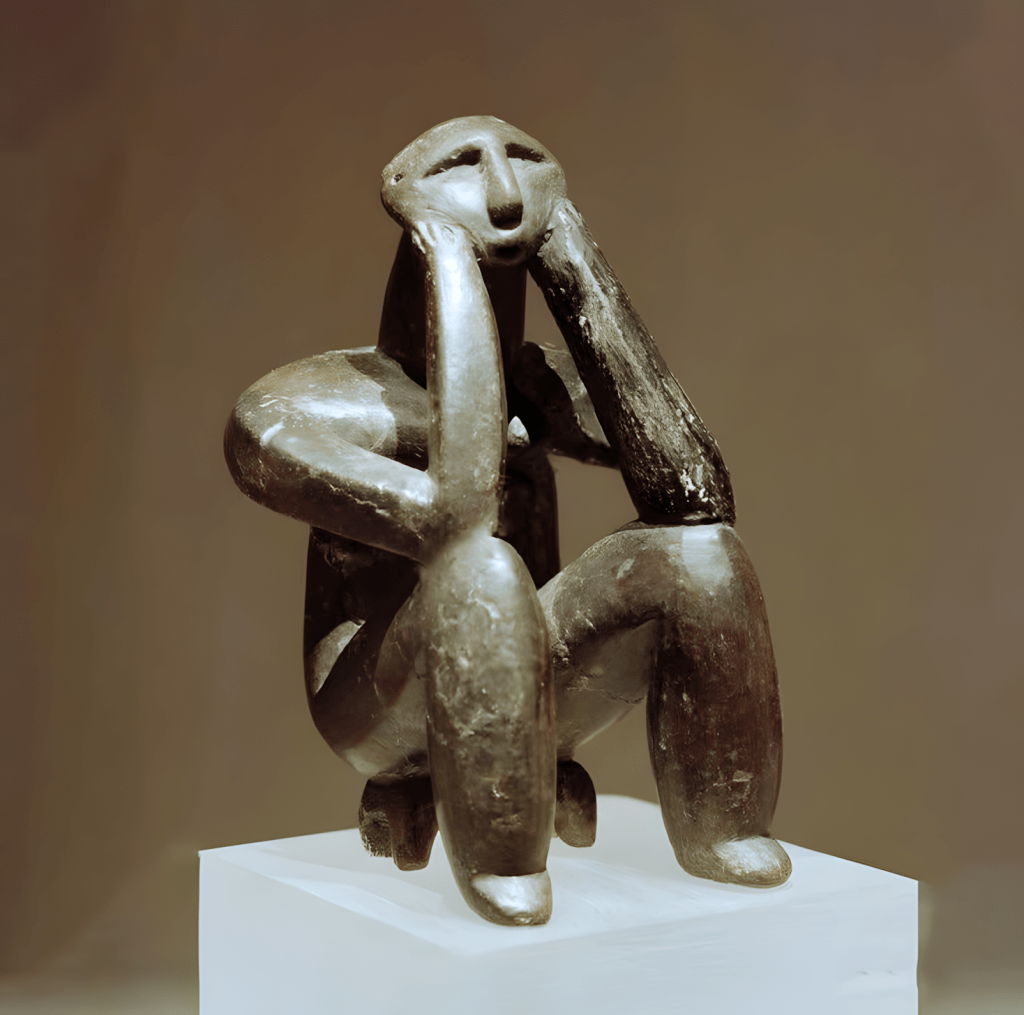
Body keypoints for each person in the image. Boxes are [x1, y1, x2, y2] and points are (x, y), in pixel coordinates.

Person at [225, 116, 790, 926]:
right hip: (377, 695)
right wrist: (449, 255)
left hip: (526, 654)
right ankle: (503, 862)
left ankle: (721, 827)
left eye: (523, 160)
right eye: (462, 164)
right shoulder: (299, 407)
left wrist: (572, 255)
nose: (501, 191)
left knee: (702, 556)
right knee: (481, 568)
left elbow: (696, 493)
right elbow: (460, 517)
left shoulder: (537, 387)